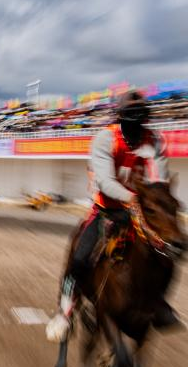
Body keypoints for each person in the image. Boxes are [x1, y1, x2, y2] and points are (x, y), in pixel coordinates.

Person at [46, 90, 180, 343]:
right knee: (79, 258)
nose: (138, 126)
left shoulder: (155, 140)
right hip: (106, 210)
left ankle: (160, 304)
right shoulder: (105, 139)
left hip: (141, 212)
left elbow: (160, 180)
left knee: (168, 254)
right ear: (121, 118)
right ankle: (65, 313)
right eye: (133, 118)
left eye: (142, 118)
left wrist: (154, 203)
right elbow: (106, 183)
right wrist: (134, 199)